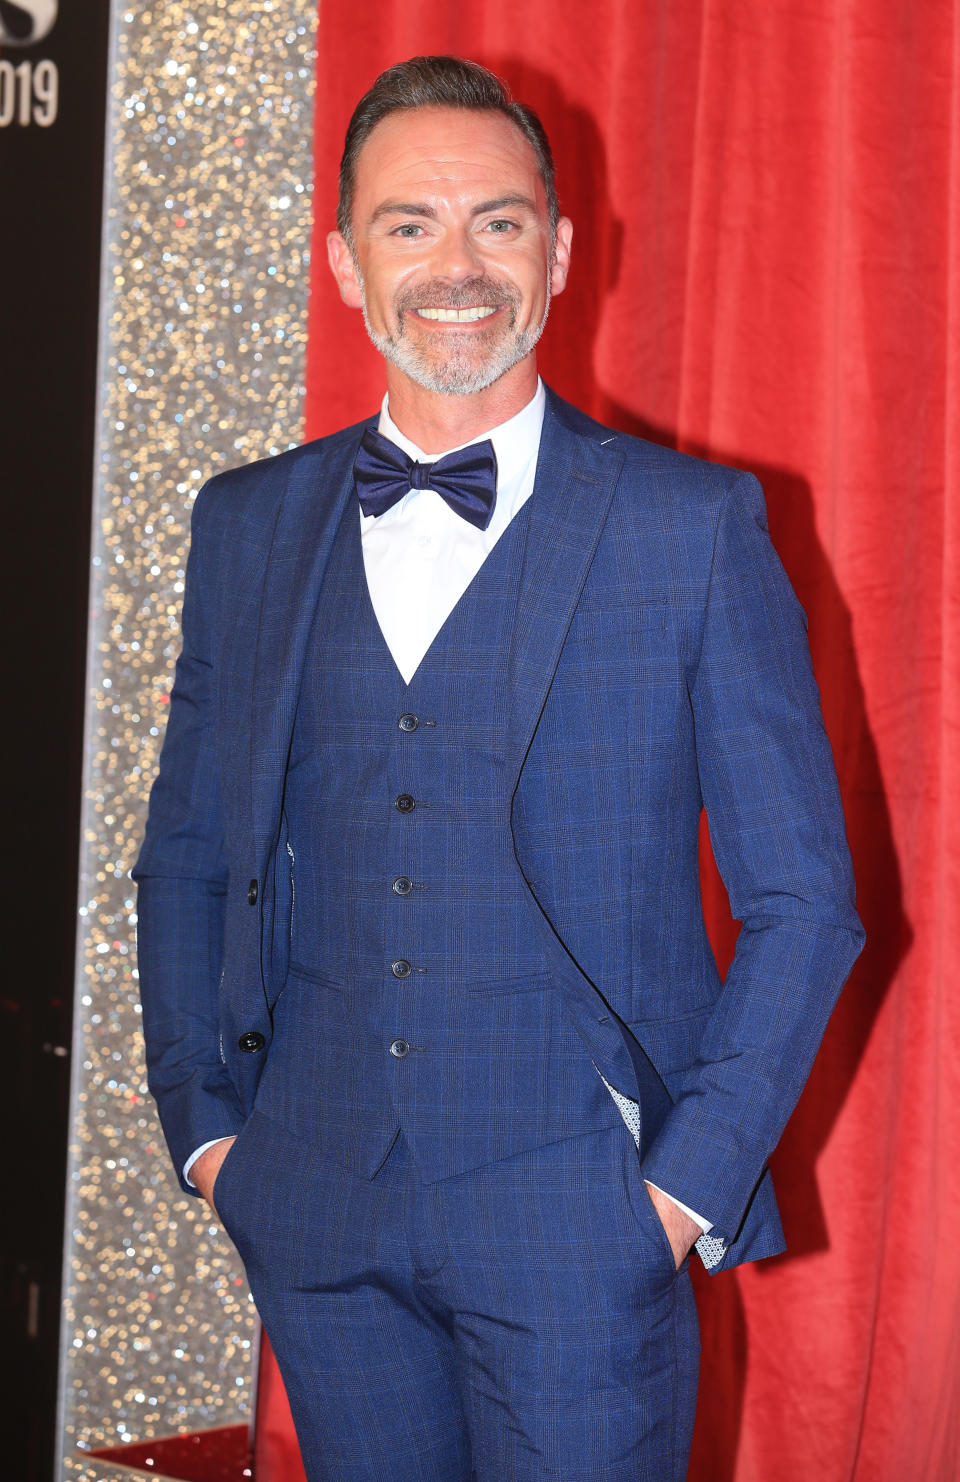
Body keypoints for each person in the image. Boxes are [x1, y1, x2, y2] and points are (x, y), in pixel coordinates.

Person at [133, 54, 864, 1482]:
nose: (456, 267)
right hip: (315, 1208)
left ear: (561, 249)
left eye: (500, 222)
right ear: (344, 262)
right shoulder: (248, 525)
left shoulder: (690, 526)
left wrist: (679, 1186)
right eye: (410, 225)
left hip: (581, 1215)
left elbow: (806, 900)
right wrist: (210, 1134)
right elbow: (187, 855)